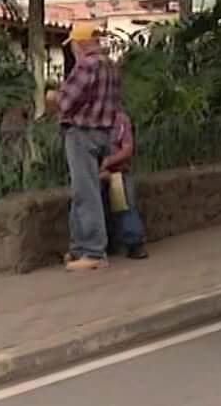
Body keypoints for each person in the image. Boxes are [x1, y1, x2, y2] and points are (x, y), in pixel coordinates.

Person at [47, 22, 121, 271]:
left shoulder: (86, 66)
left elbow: (67, 102)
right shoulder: (110, 66)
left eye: (74, 45)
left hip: (82, 133)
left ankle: (93, 252)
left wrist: (52, 97)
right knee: (85, 190)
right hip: (104, 133)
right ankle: (78, 247)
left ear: (80, 43)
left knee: (85, 191)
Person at [100, 108, 147, 260]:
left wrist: (108, 162)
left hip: (118, 171)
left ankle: (134, 244)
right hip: (96, 173)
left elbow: (127, 150)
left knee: (125, 201)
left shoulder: (121, 120)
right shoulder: (91, 122)